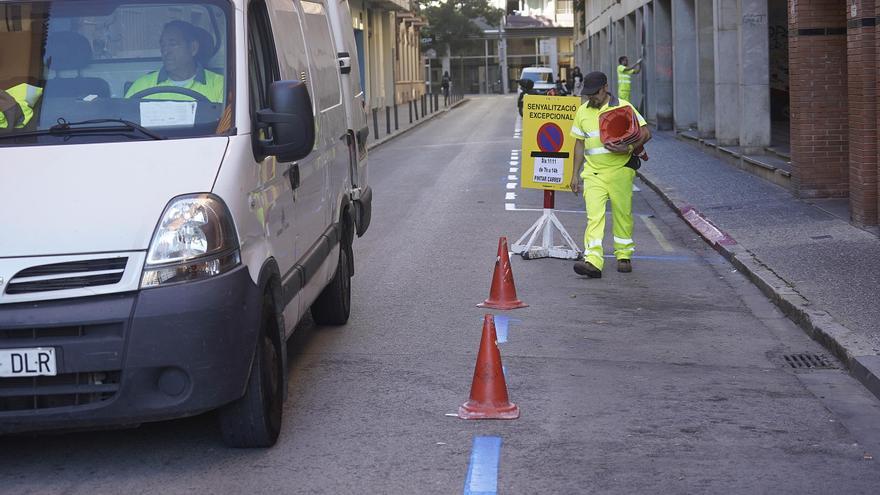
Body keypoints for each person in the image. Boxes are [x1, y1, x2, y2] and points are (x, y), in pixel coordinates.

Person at [568, 71, 651, 278]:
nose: (591, 98)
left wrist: (630, 149)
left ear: (605, 88)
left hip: (620, 171)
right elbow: (579, 144)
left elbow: (646, 133)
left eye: (594, 93)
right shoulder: (583, 112)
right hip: (593, 173)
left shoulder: (624, 107)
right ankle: (593, 261)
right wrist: (574, 175)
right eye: (587, 94)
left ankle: (623, 255)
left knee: (623, 214)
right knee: (594, 217)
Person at [125, 20, 223, 103]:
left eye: (173, 44)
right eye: (163, 45)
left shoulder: (219, 85)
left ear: (193, 48)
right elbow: (124, 118)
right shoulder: (142, 85)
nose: (165, 51)